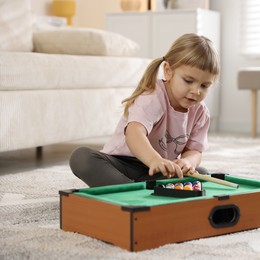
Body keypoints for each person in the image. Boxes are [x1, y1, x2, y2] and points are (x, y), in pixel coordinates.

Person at [69, 33, 220, 187]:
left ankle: (138, 190)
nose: (196, 91)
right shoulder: (153, 96)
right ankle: (130, 191)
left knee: (201, 172)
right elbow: (134, 134)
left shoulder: (201, 112)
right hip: (124, 164)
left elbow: (194, 150)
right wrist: (154, 160)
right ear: (168, 71)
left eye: (204, 86)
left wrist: (187, 162)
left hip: (156, 170)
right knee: (81, 157)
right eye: (188, 81)